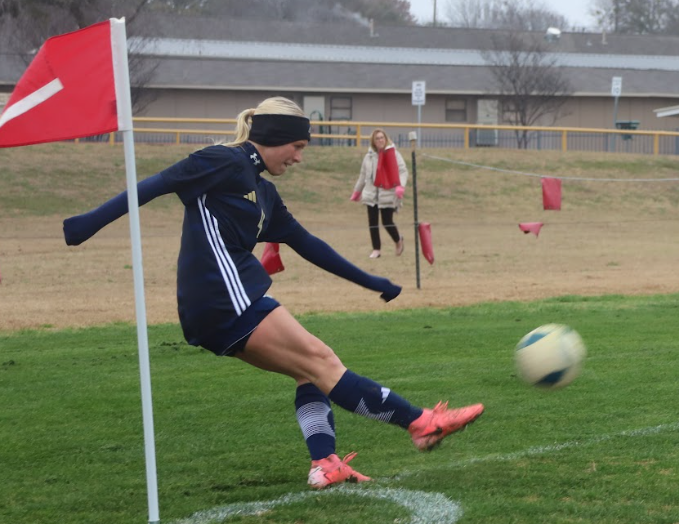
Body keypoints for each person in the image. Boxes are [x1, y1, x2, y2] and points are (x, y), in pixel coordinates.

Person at [63, 97, 483, 489]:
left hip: (228, 298)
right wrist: (86, 224)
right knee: (321, 361)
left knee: (310, 373)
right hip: (222, 294)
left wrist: (372, 282)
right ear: (274, 138)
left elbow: (308, 244)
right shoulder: (222, 160)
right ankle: (420, 423)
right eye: (296, 146)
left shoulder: (264, 192)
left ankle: (325, 463)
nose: (299, 157)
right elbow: (154, 184)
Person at [351, 128, 408, 258]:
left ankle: (398, 240)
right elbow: (363, 175)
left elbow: (403, 171)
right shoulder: (369, 157)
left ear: (386, 139)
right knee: (372, 222)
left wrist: (400, 186)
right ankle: (376, 249)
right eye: (377, 138)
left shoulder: (393, 154)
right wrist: (357, 191)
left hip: (387, 193)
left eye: (382, 137)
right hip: (371, 194)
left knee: (387, 221)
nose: (380, 140)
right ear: (373, 141)